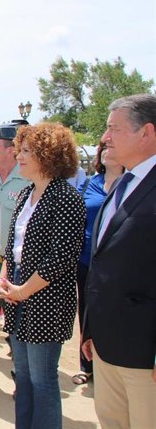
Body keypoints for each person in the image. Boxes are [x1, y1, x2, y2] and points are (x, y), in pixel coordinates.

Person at [0, 122, 86, 429]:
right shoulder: (26, 194)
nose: (17, 155)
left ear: (49, 155)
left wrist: (23, 290)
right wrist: (6, 277)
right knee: (23, 375)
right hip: (18, 293)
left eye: (26, 150)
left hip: (46, 298)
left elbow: (60, 258)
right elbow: (12, 245)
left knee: (42, 378)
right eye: (18, 149)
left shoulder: (66, 197)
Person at [81, 94, 156, 429]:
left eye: (114, 129)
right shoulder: (121, 184)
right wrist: (91, 329)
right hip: (107, 347)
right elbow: (103, 266)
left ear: (147, 133)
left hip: (144, 357)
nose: (104, 137)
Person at [72, 142, 123, 386]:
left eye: (109, 147)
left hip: (119, 263)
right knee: (87, 311)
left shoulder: (133, 184)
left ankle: (111, 364)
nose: (104, 151)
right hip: (86, 260)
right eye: (102, 148)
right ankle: (86, 365)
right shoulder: (90, 182)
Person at [0, 123, 30, 371]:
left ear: (11, 150)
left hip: (17, 264)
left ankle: (21, 374)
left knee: (19, 320)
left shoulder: (28, 181)